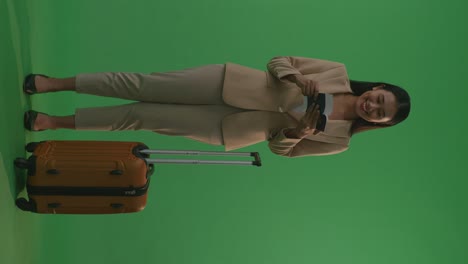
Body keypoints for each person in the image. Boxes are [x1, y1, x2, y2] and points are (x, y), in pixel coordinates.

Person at [23, 56, 411, 157]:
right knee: (142, 84)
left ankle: (54, 122)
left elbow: (283, 151)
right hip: (229, 82)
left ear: (379, 123)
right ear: (375, 88)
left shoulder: (339, 142)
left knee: (137, 117)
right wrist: (295, 77)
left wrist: (298, 134)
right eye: (379, 99)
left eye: (380, 113)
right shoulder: (337, 72)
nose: (372, 107)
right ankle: (55, 84)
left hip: (230, 130)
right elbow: (277, 61)